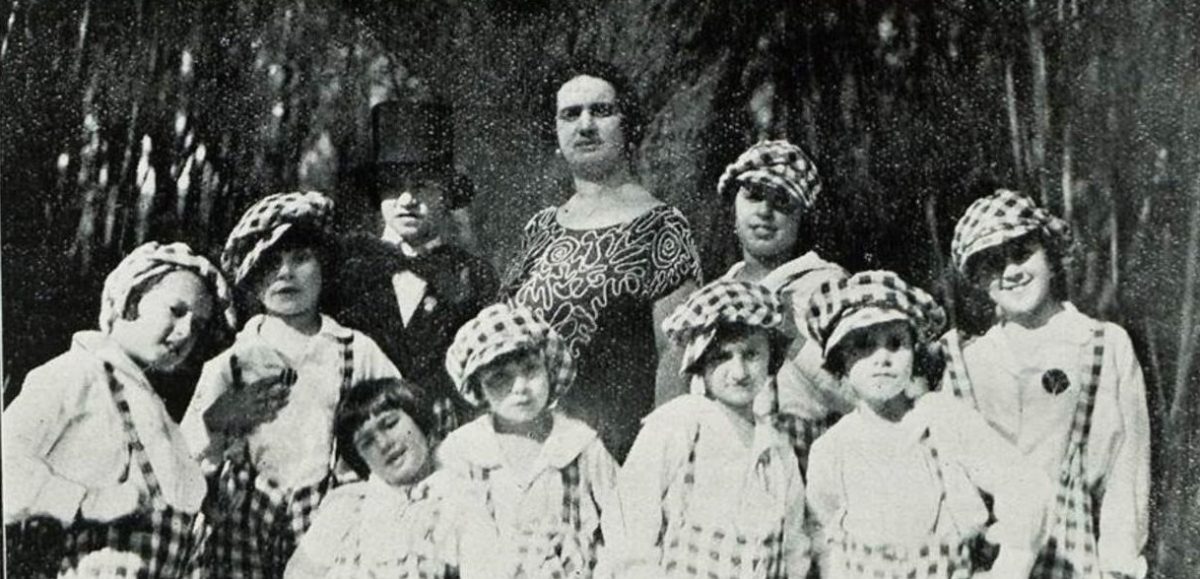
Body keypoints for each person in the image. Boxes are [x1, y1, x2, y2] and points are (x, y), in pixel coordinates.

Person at [181, 191, 401, 579]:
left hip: (326, 514)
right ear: (250, 276)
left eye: (300, 258)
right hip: (243, 514)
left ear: (325, 268)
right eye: (270, 262)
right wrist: (215, 424)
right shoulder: (231, 362)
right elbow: (188, 453)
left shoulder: (354, 350)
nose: (285, 273)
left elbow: (399, 417)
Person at [500, 59, 703, 462]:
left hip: (621, 451)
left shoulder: (660, 225)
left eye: (602, 111)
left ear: (628, 127)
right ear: (556, 134)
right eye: (570, 115)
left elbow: (675, 354)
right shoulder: (539, 229)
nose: (586, 125)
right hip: (533, 452)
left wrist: (659, 464)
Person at [944, 189, 1151, 579]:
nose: (1011, 272)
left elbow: (1127, 472)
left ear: (1050, 255)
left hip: (1077, 558)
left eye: (1022, 253)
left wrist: (1120, 563)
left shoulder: (1103, 345)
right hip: (993, 562)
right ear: (976, 279)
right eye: (991, 263)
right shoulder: (966, 362)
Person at [3, 241, 236, 578]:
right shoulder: (78, 373)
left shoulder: (158, 414)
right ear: (129, 299)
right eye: (176, 310)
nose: (186, 332)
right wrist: (84, 503)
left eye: (198, 325)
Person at [803, 271, 1051, 578]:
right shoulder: (832, 448)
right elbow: (828, 539)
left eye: (896, 344)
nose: (882, 358)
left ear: (915, 351)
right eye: (864, 345)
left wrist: (1012, 564)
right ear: (840, 359)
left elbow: (1022, 484)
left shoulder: (943, 418)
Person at [602, 279, 811, 579]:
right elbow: (631, 519)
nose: (738, 372)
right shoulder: (680, 423)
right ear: (700, 361)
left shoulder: (776, 447)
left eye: (751, 354)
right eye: (722, 357)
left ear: (771, 359)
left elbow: (793, 545)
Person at [335, 100, 498, 444]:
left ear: (446, 195)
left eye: (422, 186)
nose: (407, 199)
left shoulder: (471, 274)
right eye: (393, 186)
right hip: (361, 437)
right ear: (378, 194)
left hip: (447, 439)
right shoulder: (348, 266)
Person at [439, 302, 618, 579]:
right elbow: (449, 543)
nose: (520, 387)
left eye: (531, 370)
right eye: (500, 378)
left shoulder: (580, 445)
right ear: (479, 389)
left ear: (550, 368)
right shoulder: (463, 452)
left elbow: (623, 525)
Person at [717, 138, 852, 472]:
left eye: (782, 202)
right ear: (733, 204)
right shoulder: (719, 292)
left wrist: (793, 338)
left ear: (802, 216)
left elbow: (855, 393)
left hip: (810, 448)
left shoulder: (824, 283)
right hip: (732, 455)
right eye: (753, 196)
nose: (765, 211)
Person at [284, 378, 457, 578]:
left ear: (418, 419)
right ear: (362, 460)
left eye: (390, 424)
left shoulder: (461, 488)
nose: (383, 444)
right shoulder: (347, 509)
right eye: (367, 442)